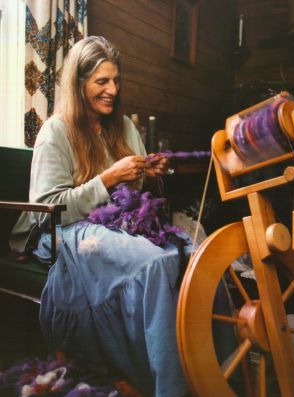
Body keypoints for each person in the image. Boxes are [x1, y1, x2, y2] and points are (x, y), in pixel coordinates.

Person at [10, 36, 191, 397]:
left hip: (115, 224)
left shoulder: (123, 127)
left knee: (188, 254)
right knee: (154, 263)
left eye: (116, 80)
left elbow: (137, 197)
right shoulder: (55, 132)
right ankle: (170, 386)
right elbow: (49, 208)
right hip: (64, 228)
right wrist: (109, 179)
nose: (112, 89)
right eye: (101, 81)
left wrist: (149, 175)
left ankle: (200, 366)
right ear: (79, 84)